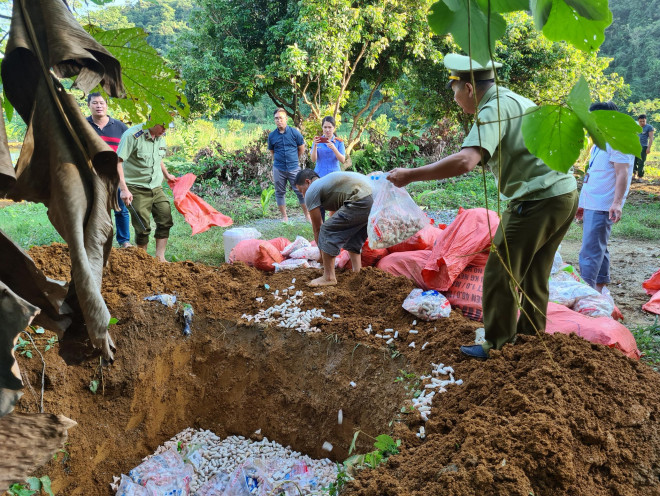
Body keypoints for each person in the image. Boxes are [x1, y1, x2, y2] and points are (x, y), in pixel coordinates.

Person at [387, 54, 578, 360]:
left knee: (499, 271)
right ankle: (530, 342)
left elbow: (465, 160)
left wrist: (411, 175)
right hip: (563, 194)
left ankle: (497, 345)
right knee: (534, 274)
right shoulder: (514, 100)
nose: (456, 99)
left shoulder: (493, 107)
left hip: (537, 199)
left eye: (455, 91)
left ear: (469, 88)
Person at [577, 102, 634, 292]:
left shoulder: (618, 138)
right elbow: (596, 174)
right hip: (593, 202)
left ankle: (587, 294)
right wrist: (582, 203)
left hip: (603, 204)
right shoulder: (601, 141)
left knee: (590, 252)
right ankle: (599, 289)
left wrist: (617, 203)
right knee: (598, 247)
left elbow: (622, 173)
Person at [294, 169, 373, 287]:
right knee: (354, 239)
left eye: (301, 191)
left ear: (308, 182)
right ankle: (358, 272)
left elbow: (318, 228)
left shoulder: (312, 190)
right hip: (371, 198)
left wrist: (322, 256)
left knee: (326, 230)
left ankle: (329, 277)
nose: (303, 195)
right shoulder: (327, 183)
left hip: (359, 200)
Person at [116, 123, 176, 263]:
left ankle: (160, 258)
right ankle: (142, 260)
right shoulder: (132, 136)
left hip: (155, 187)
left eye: (168, 126)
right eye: (162, 125)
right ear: (152, 120)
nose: (165, 129)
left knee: (165, 218)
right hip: (135, 187)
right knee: (142, 227)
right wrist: (124, 189)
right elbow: (117, 162)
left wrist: (167, 175)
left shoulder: (160, 136)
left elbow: (158, 158)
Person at [85, 92, 131, 247]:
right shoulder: (83, 125)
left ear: (106, 105)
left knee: (120, 208)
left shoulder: (120, 126)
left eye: (102, 103)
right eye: (95, 103)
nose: (99, 106)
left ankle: (124, 241)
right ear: (89, 105)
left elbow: (128, 149)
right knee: (94, 209)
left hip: (116, 174)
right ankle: (96, 240)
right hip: (92, 174)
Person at [268, 108, 311, 222]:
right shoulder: (272, 136)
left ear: (286, 119)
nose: (279, 120)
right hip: (279, 168)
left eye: (281, 118)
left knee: (300, 191)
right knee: (280, 192)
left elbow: (301, 148)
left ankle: (307, 216)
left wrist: (293, 159)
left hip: (294, 168)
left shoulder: (294, 133)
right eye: (276, 118)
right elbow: (272, 152)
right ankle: (284, 217)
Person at [310, 116, 346, 221]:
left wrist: (334, 148)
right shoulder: (318, 141)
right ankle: (321, 226)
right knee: (320, 203)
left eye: (330, 127)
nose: (327, 130)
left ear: (334, 128)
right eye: (325, 127)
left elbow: (342, 160)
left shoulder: (339, 142)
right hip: (319, 175)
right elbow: (313, 159)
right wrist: (315, 146)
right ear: (322, 128)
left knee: (334, 203)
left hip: (334, 176)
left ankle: (333, 225)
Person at [633, 114, 654, 182]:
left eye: (643, 121)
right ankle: (634, 174)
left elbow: (651, 138)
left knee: (641, 161)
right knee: (634, 161)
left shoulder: (649, 127)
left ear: (646, 120)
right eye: (640, 121)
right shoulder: (635, 127)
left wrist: (648, 148)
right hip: (635, 146)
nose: (642, 123)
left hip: (643, 146)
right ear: (638, 121)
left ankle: (640, 176)